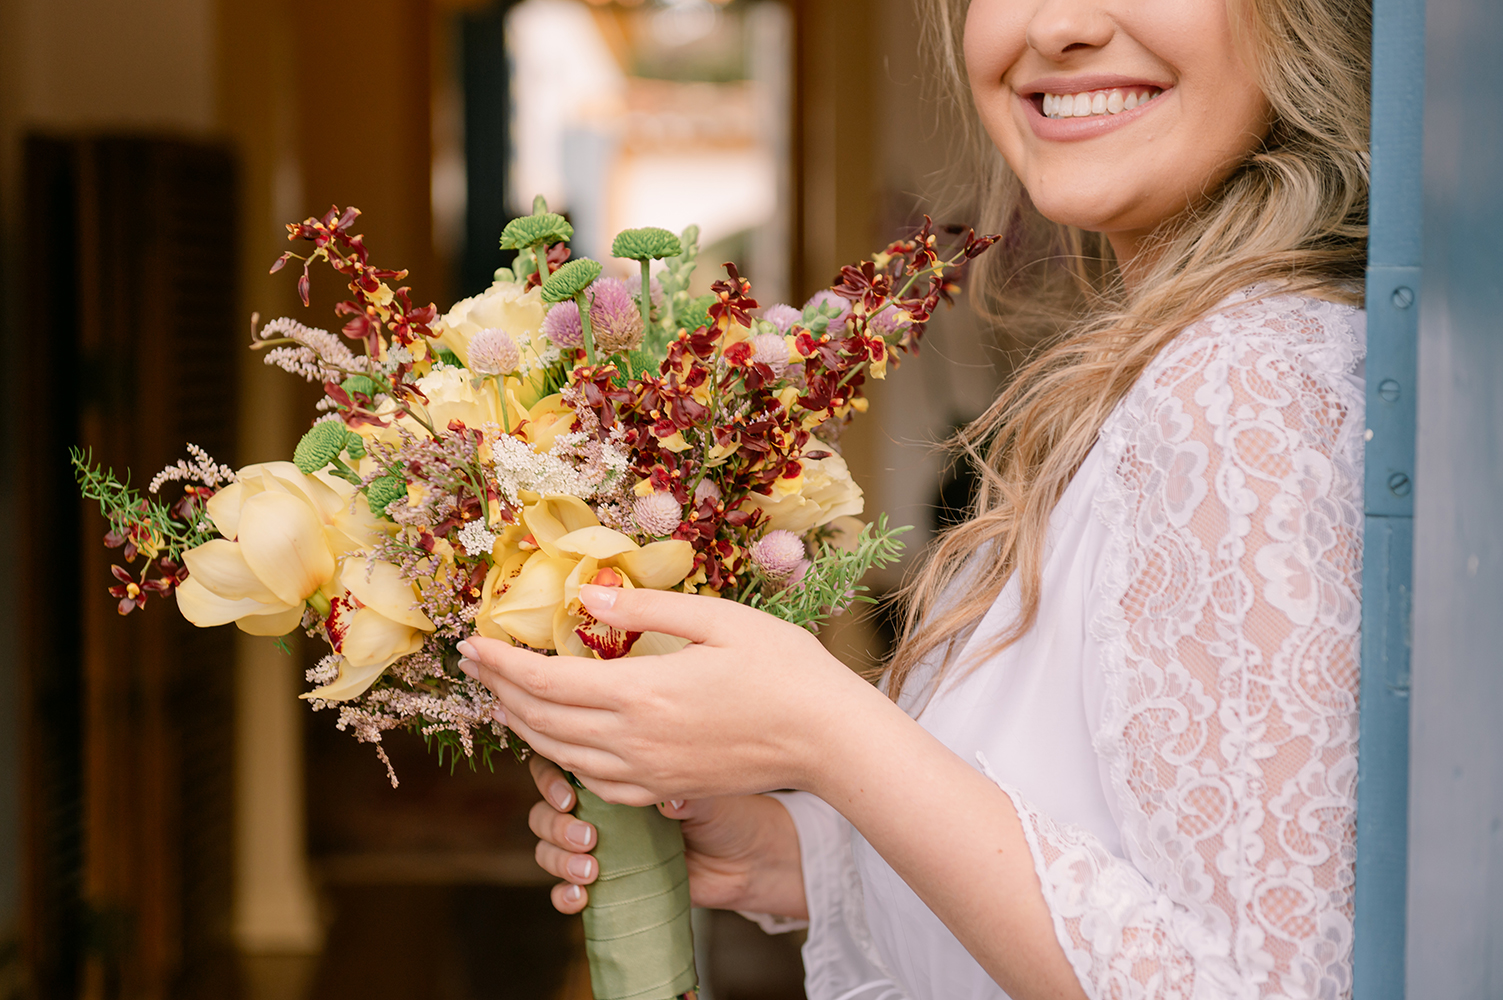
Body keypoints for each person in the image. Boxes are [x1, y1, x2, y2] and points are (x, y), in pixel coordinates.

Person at [456, 0, 1372, 994]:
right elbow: (1117, 844)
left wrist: (825, 730)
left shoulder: (1246, 386)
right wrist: (792, 854)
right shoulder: (1185, 359)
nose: (1057, 24)